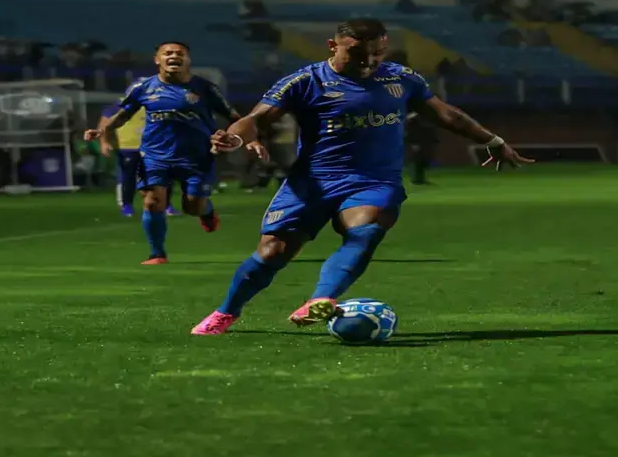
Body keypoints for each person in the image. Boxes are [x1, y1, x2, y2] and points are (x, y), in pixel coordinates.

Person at [190, 19, 534, 335]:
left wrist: (493, 141)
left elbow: (449, 116)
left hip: (373, 181)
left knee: (365, 232)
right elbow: (257, 118)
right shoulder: (306, 81)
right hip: (313, 182)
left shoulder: (401, 78)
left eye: (377, 53)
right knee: (272, 252)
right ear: (333, 45)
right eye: (358, 52)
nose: (369, 60)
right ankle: (227, 312)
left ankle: (321, 299)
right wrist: (235, 136)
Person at [84, 42, 240, 264]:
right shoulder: (143, 88)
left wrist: (240, 137)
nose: (174, 56)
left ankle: (206, 212)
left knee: (193, 205)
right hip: (154, 155)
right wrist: (102, 131)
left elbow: (235, 117)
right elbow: (123, 115)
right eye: (168, 53)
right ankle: (157, 254)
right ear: (157, 59)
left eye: (180, 54)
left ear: (188, 60)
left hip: (196, 156)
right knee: (152, 201)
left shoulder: (204, 88)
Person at [98, 91, 179, 217]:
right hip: (129, 147)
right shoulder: (120, 105)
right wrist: (104, 142)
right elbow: (104, 124)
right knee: (129, 178)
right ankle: (127, 205)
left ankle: (166, 205)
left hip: (154, 148)